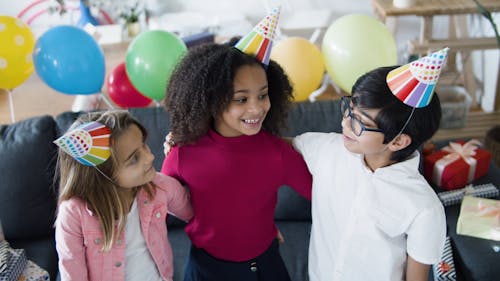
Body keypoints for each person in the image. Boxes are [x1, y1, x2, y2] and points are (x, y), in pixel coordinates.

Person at [160, 7, 312, 281]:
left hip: (263, 267)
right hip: (205, 269)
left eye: (263, 95)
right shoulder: (182, 154)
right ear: (211, 100)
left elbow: (325, 194)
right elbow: (159, 203)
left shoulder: (277, 153)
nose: (256, 109)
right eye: (241, 99)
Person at [294, 48, 449, 281]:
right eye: (350, 109)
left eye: (360, 122)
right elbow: (271, 147)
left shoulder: (424, 209)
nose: (346, 122)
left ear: (397, 141)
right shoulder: (326, 148)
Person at [54, 110, 193, 281]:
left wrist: (186, 156)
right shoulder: (73, 213)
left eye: (144, 145)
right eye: (134, 159)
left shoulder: (159, 186)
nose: (150, 157)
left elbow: (193, 211)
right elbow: (72, 274)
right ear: (103, 175)